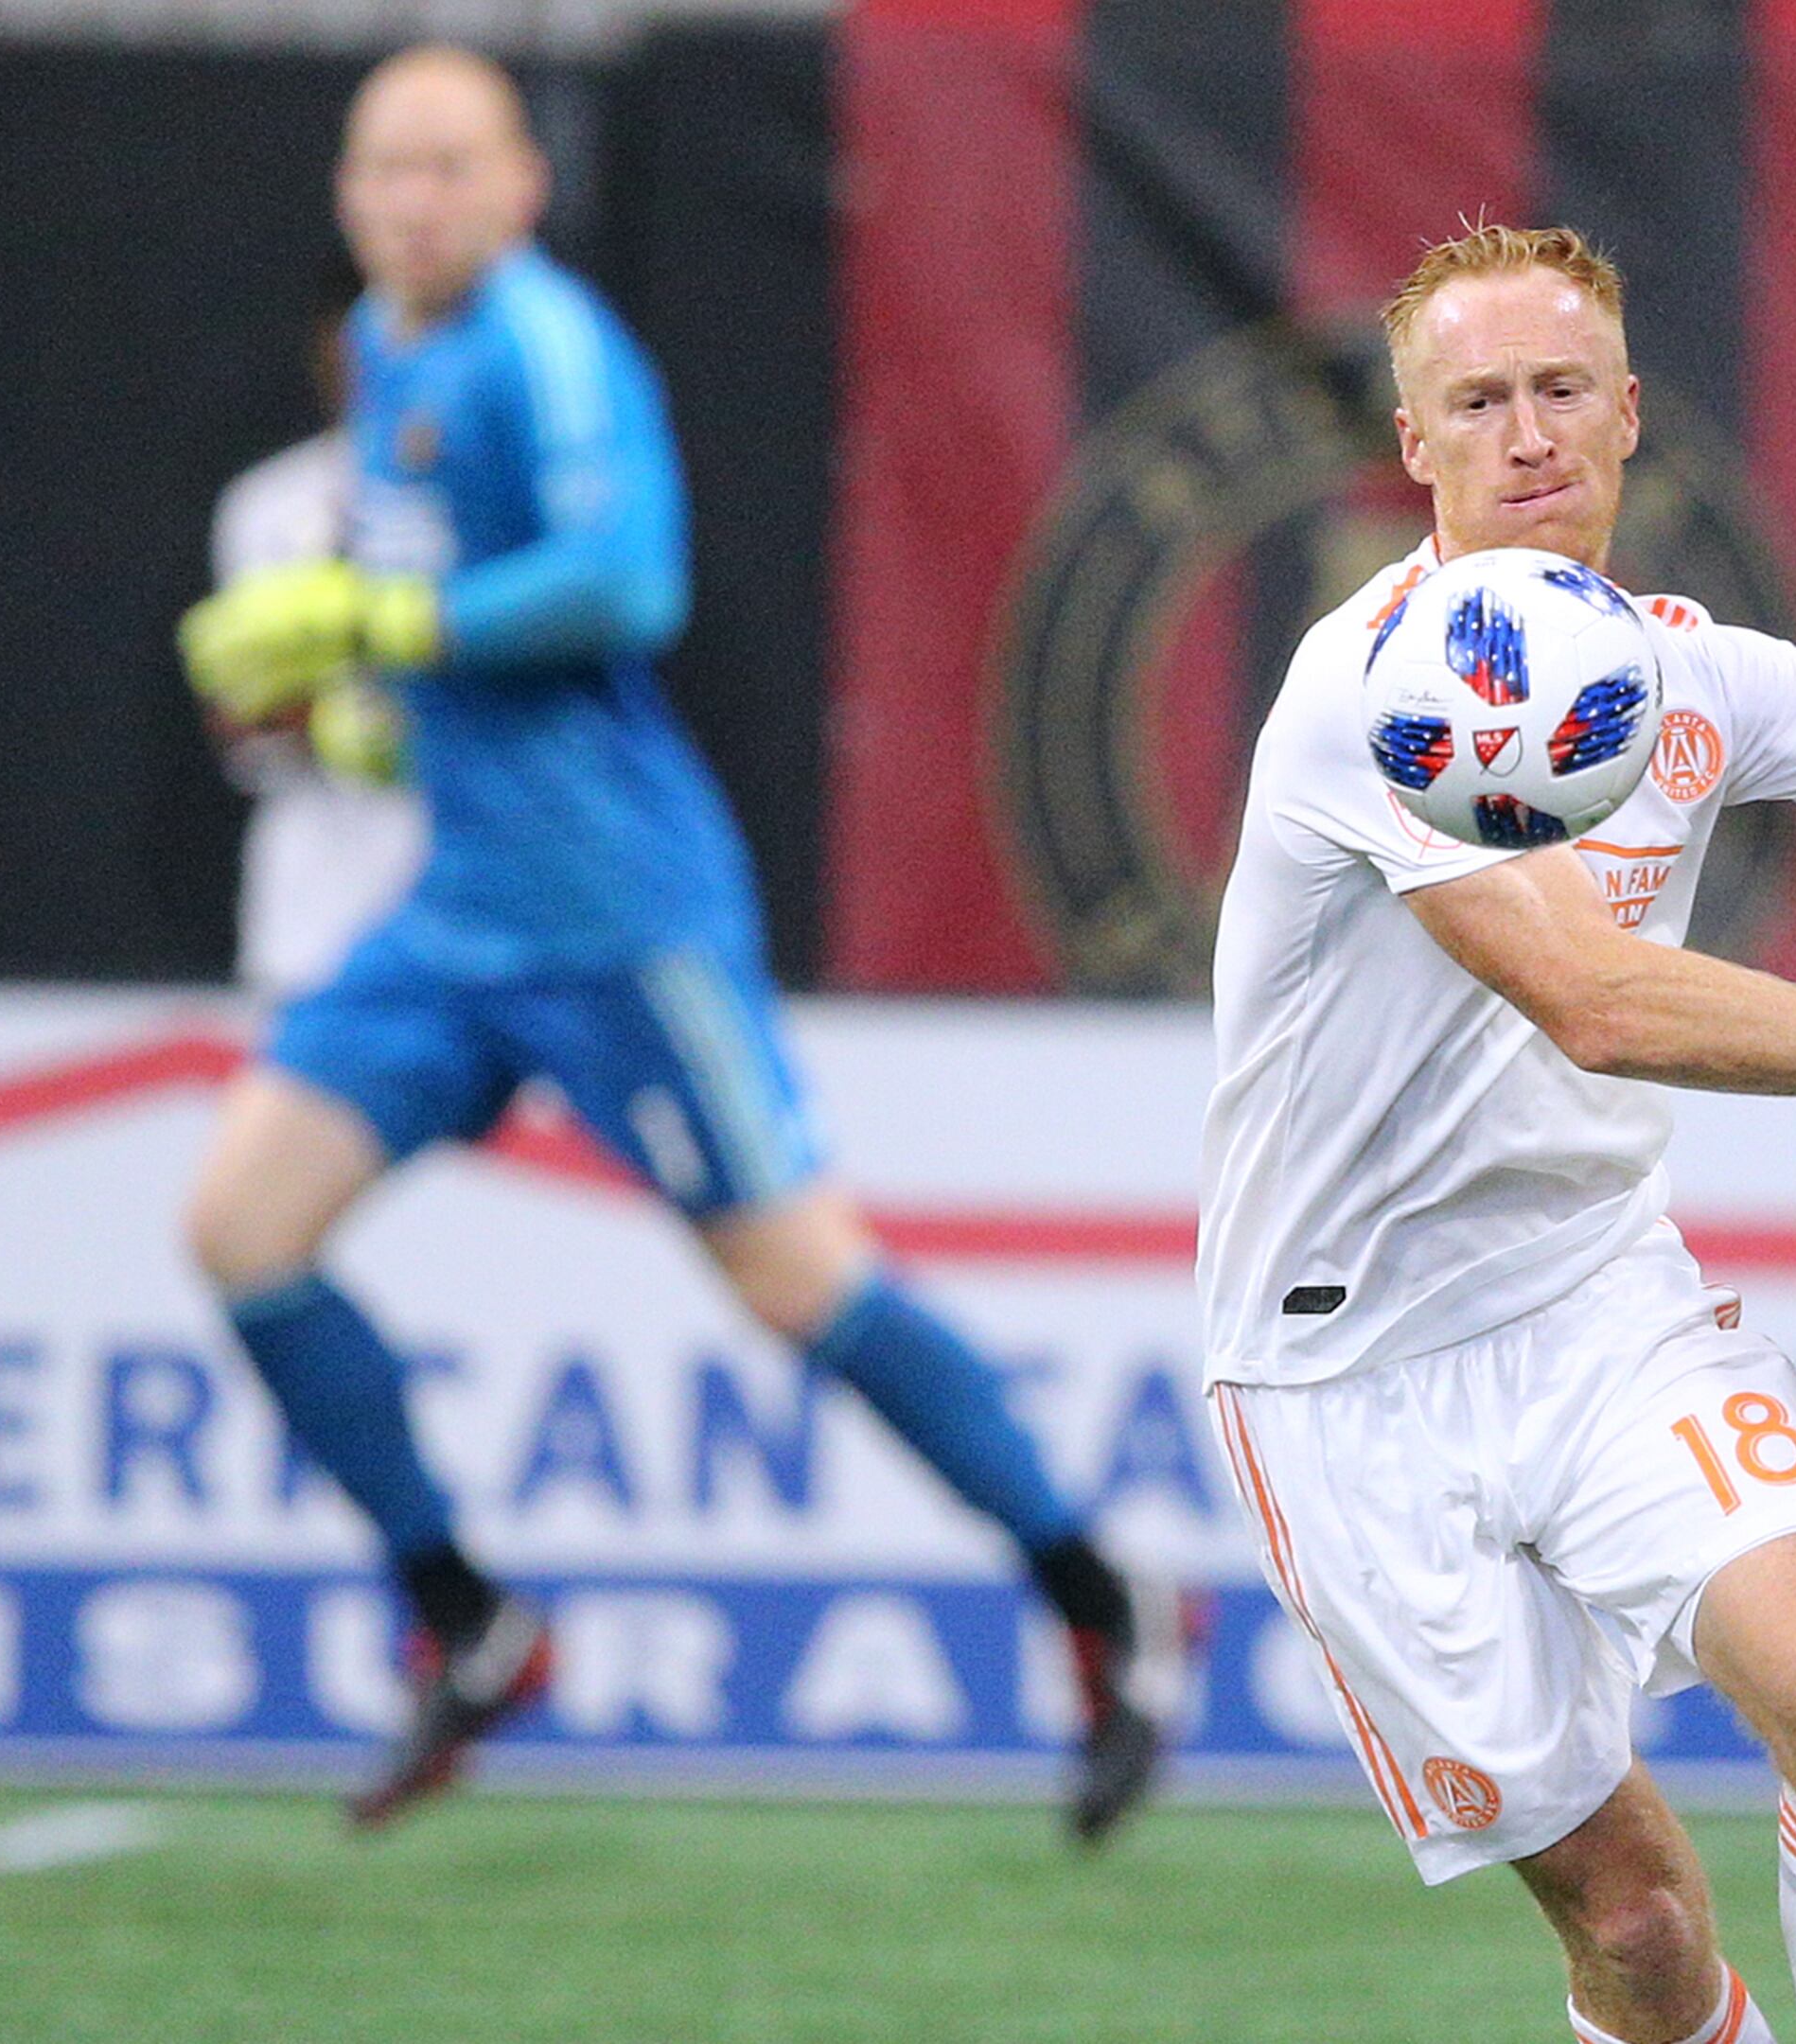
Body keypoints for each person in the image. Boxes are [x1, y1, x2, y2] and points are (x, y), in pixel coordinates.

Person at [173, 44, 1175, 1840]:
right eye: (381, 170)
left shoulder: (547, 346)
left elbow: (629, 587)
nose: (411, 199)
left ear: (518, 185)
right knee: (242, 1230)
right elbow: (459, 691)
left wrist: (373, 611)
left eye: (446, 166)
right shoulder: (398, 352)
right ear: (345, 195)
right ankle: (468, 1618)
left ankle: (1102, 1605)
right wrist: (348, 719)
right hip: (462, 911)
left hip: (624, 917)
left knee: (799, 1282)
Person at [1201, 221, 1796, 2044]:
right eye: (1480, 401)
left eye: (1562, 391)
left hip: (1595, 1306)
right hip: (1347, 1387)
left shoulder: (1686, 671)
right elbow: (1602, 1000)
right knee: (1638, 1935)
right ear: (1415, 447)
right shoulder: (1377, 695)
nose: (1528, 433)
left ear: (1630, 418)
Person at [207, 254, 429, 999]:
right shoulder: (264, 507)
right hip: (310, 924)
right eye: (348, 338)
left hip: (467, 906)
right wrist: (336, 710)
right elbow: (246, 724)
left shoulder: (495, 491)